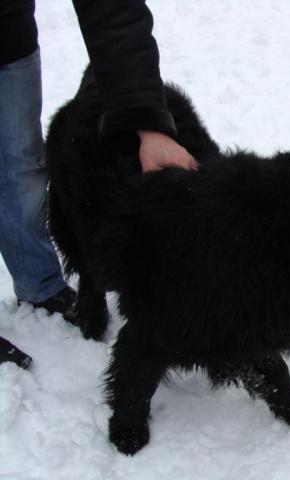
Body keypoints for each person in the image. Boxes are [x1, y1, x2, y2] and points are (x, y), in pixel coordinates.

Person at [0, 0, 196, 367]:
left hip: (7, 41)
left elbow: (114, 11)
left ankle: (38, 285)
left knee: (21, 167)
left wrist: (149, 122)